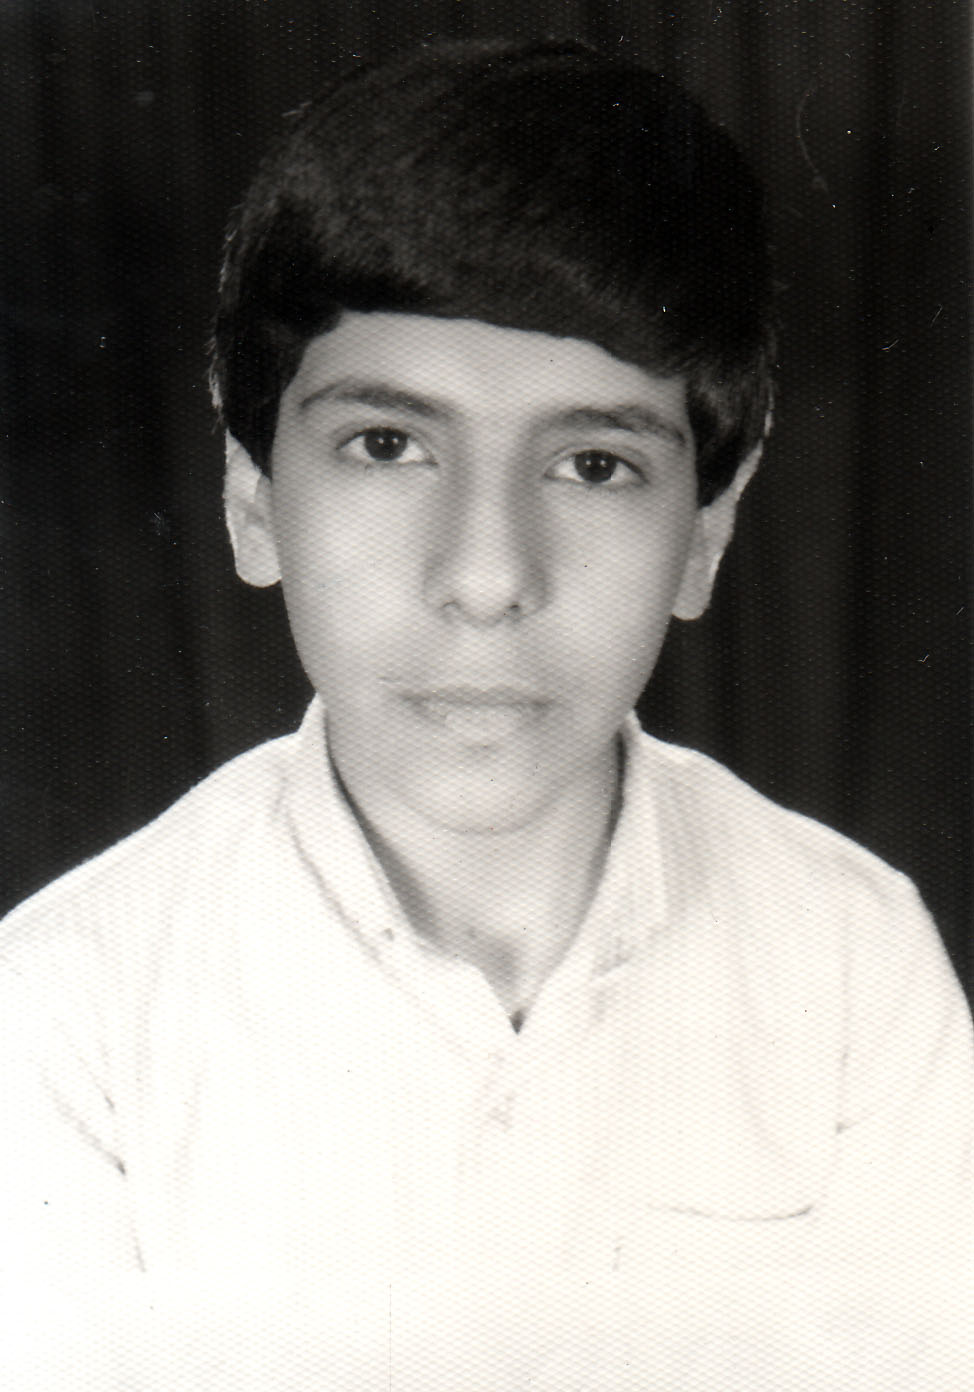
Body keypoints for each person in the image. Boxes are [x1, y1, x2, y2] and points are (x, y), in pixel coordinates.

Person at [1, 39, 971, 1389]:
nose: (487, 577)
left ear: (706, 531)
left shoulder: (852, 964)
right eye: (387, 446)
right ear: (248, 494)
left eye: (594, 464)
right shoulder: (65, 1016)